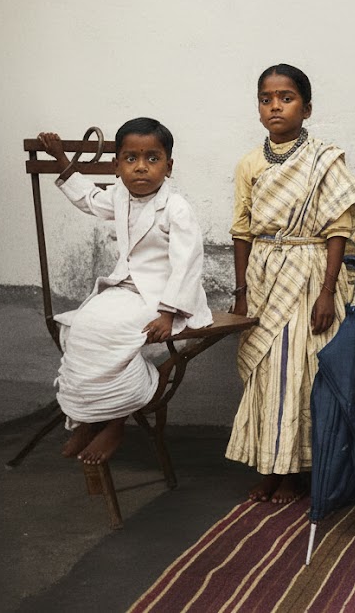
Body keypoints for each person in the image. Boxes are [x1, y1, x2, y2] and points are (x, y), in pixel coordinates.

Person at [226, 64, 355, 504]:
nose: (275, 106)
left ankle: (299, 471)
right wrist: (242, 293)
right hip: (265, 276)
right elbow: (241, 230)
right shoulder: (249, 163)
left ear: (306, 108)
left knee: (302, 370)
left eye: (285, 98)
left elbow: (340, 228)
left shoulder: (325, 159)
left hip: (312, 274)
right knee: (267, 372)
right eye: (266, 99)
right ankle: (269, 465)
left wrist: (327, 292)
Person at [38, 119, 213, 465]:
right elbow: (88, 199)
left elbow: (186, 264)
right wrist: (60, 157)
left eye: (152, 158)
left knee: (114, 334)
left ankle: (116, 422)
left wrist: (168, 312)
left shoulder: (176, 208)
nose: (141, 167)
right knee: (80, 326)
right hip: (126, 290)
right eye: (131, 159)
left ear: (169, 165)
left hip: (163, 297)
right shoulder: (120, 196)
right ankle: (88, 418)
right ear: (117, 166)